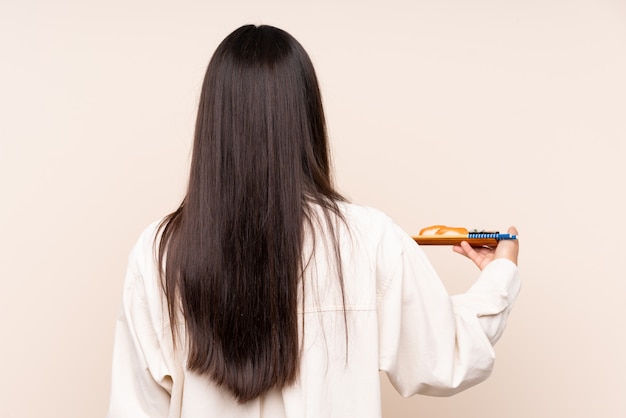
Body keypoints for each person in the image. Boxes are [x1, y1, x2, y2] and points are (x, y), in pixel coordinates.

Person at [106, 24, 520, 418]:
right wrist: (500, 274)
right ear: (306, 117)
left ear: (213, 123)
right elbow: (448, 355)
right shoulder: (370, 239)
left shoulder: (157, 255)